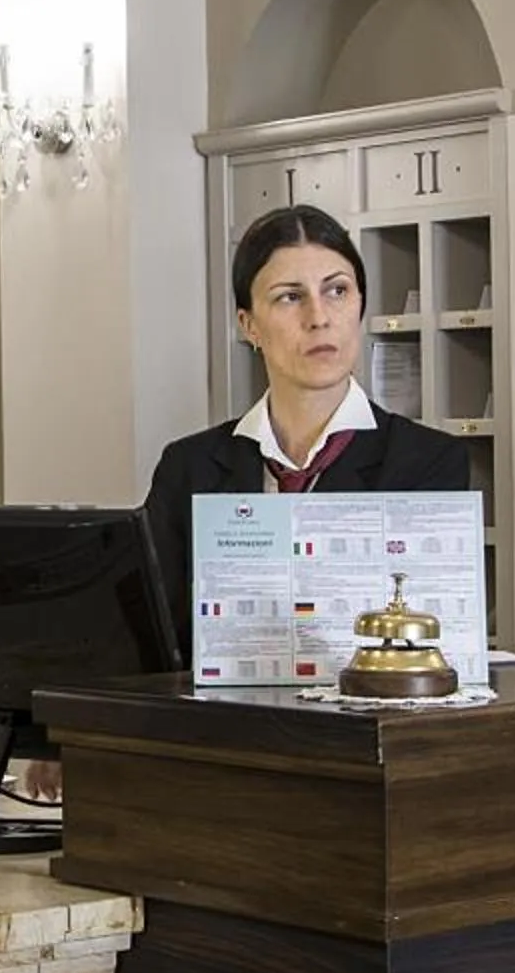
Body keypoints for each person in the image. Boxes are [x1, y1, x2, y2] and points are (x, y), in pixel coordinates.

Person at [143, 204, 473, 653]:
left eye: (337, 291)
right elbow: (159, 644)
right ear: (249, 325)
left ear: (359, 307)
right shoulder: (188, 467)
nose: (319, 317)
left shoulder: (428, 462)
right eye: (290, 297)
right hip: (219, 720)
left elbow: (426, 641)